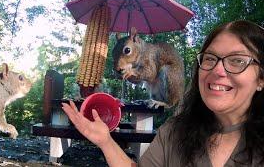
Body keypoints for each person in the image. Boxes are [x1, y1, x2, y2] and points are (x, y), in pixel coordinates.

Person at [62, 20, 264, 167]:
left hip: (169, 82)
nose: (218, 71)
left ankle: (165, 102)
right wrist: (106, 141)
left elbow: (150, 73)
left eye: (237, 60)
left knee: (165, 72)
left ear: (261, 80)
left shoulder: (149, 52)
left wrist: (135, 72)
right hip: (159, 95)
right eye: (210, 59)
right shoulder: (173, 133)